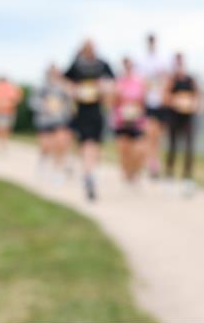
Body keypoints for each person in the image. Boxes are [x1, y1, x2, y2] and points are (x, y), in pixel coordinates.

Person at [64, 40, 115, 201]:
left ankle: (89, 171)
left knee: (94, 144)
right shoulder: (76, 65)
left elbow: (112, 82)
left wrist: (104, 88)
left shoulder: (103, 65)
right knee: (87, 144)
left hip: (97, 110)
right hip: (81, 111)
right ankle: (88, 173)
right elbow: (66, 81)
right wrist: (74, 91)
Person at [163, 52, 203, 194]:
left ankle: (187, 177)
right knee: (172, 146)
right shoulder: (172, 80)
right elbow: (165, 96)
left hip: (187, 117)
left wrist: (195, 105)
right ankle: (169, 174)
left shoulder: (190, 80)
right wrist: (176, 101)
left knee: (189, 147)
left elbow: (198, 96)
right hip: (174, 117)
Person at [29, 64, 75, 180]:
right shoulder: (40, 86)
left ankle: (57, 171)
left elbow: (70, 102)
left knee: (60, 144)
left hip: (60, 120)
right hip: (44, 120)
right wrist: (44, 106)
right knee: (46, 146)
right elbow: (33, 102)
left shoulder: (63, 86)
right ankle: (43, 162)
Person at [137, 33, 172, 179]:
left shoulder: (163, 59)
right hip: (149, 102)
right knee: (150, 134)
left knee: (157, 137)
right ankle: (152, 163)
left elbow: (167, 79)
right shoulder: (142, 61)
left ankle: (153, 160)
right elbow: (141, 82)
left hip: (161, 103)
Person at [112, 57, 148, 185]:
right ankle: (126, 172)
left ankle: (135, 171)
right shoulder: (118, 82)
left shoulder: (140, 82)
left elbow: (143, 101)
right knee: (124, 150)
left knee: (139, 150)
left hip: (137, 120)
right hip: (121, 120)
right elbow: (113, 102)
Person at [0, 76, 23, 151]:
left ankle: (1, 144)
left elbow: (16, 99)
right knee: (1, 128)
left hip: (5, 111)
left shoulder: (7, 87)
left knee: (3, 128)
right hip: (0, 111)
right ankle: (1, 143)